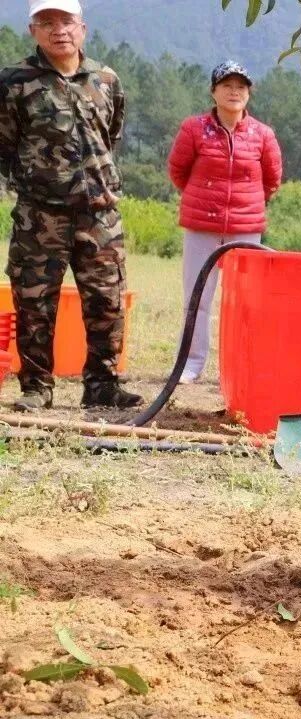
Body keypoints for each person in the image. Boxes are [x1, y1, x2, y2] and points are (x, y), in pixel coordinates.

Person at [0, 0, 141, 411]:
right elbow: (5, 144)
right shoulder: (14, 82)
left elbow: (111, 134)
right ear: (33, 31)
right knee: (34, 301)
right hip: (39, 214)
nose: (58, 30)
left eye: (66, 21)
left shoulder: (106, 79)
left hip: (99, 213)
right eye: (46, 22)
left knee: (106, 300)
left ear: (82, 28)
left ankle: (102, 385)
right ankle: (36, 387)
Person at [167, 61, 282, 384]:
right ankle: (190, 364)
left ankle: (240, 365)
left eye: (241, 86)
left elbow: (272, 179)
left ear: (249, 94)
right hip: (201, 226)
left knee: (245, 302)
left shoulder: (262, 134)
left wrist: (244, 207)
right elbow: (178, 171)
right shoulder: (193, 128)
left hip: (246, 230)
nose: (234, 92)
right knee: (197, 298)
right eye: (227, 85)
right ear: (213, 91)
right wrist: (205, 200)